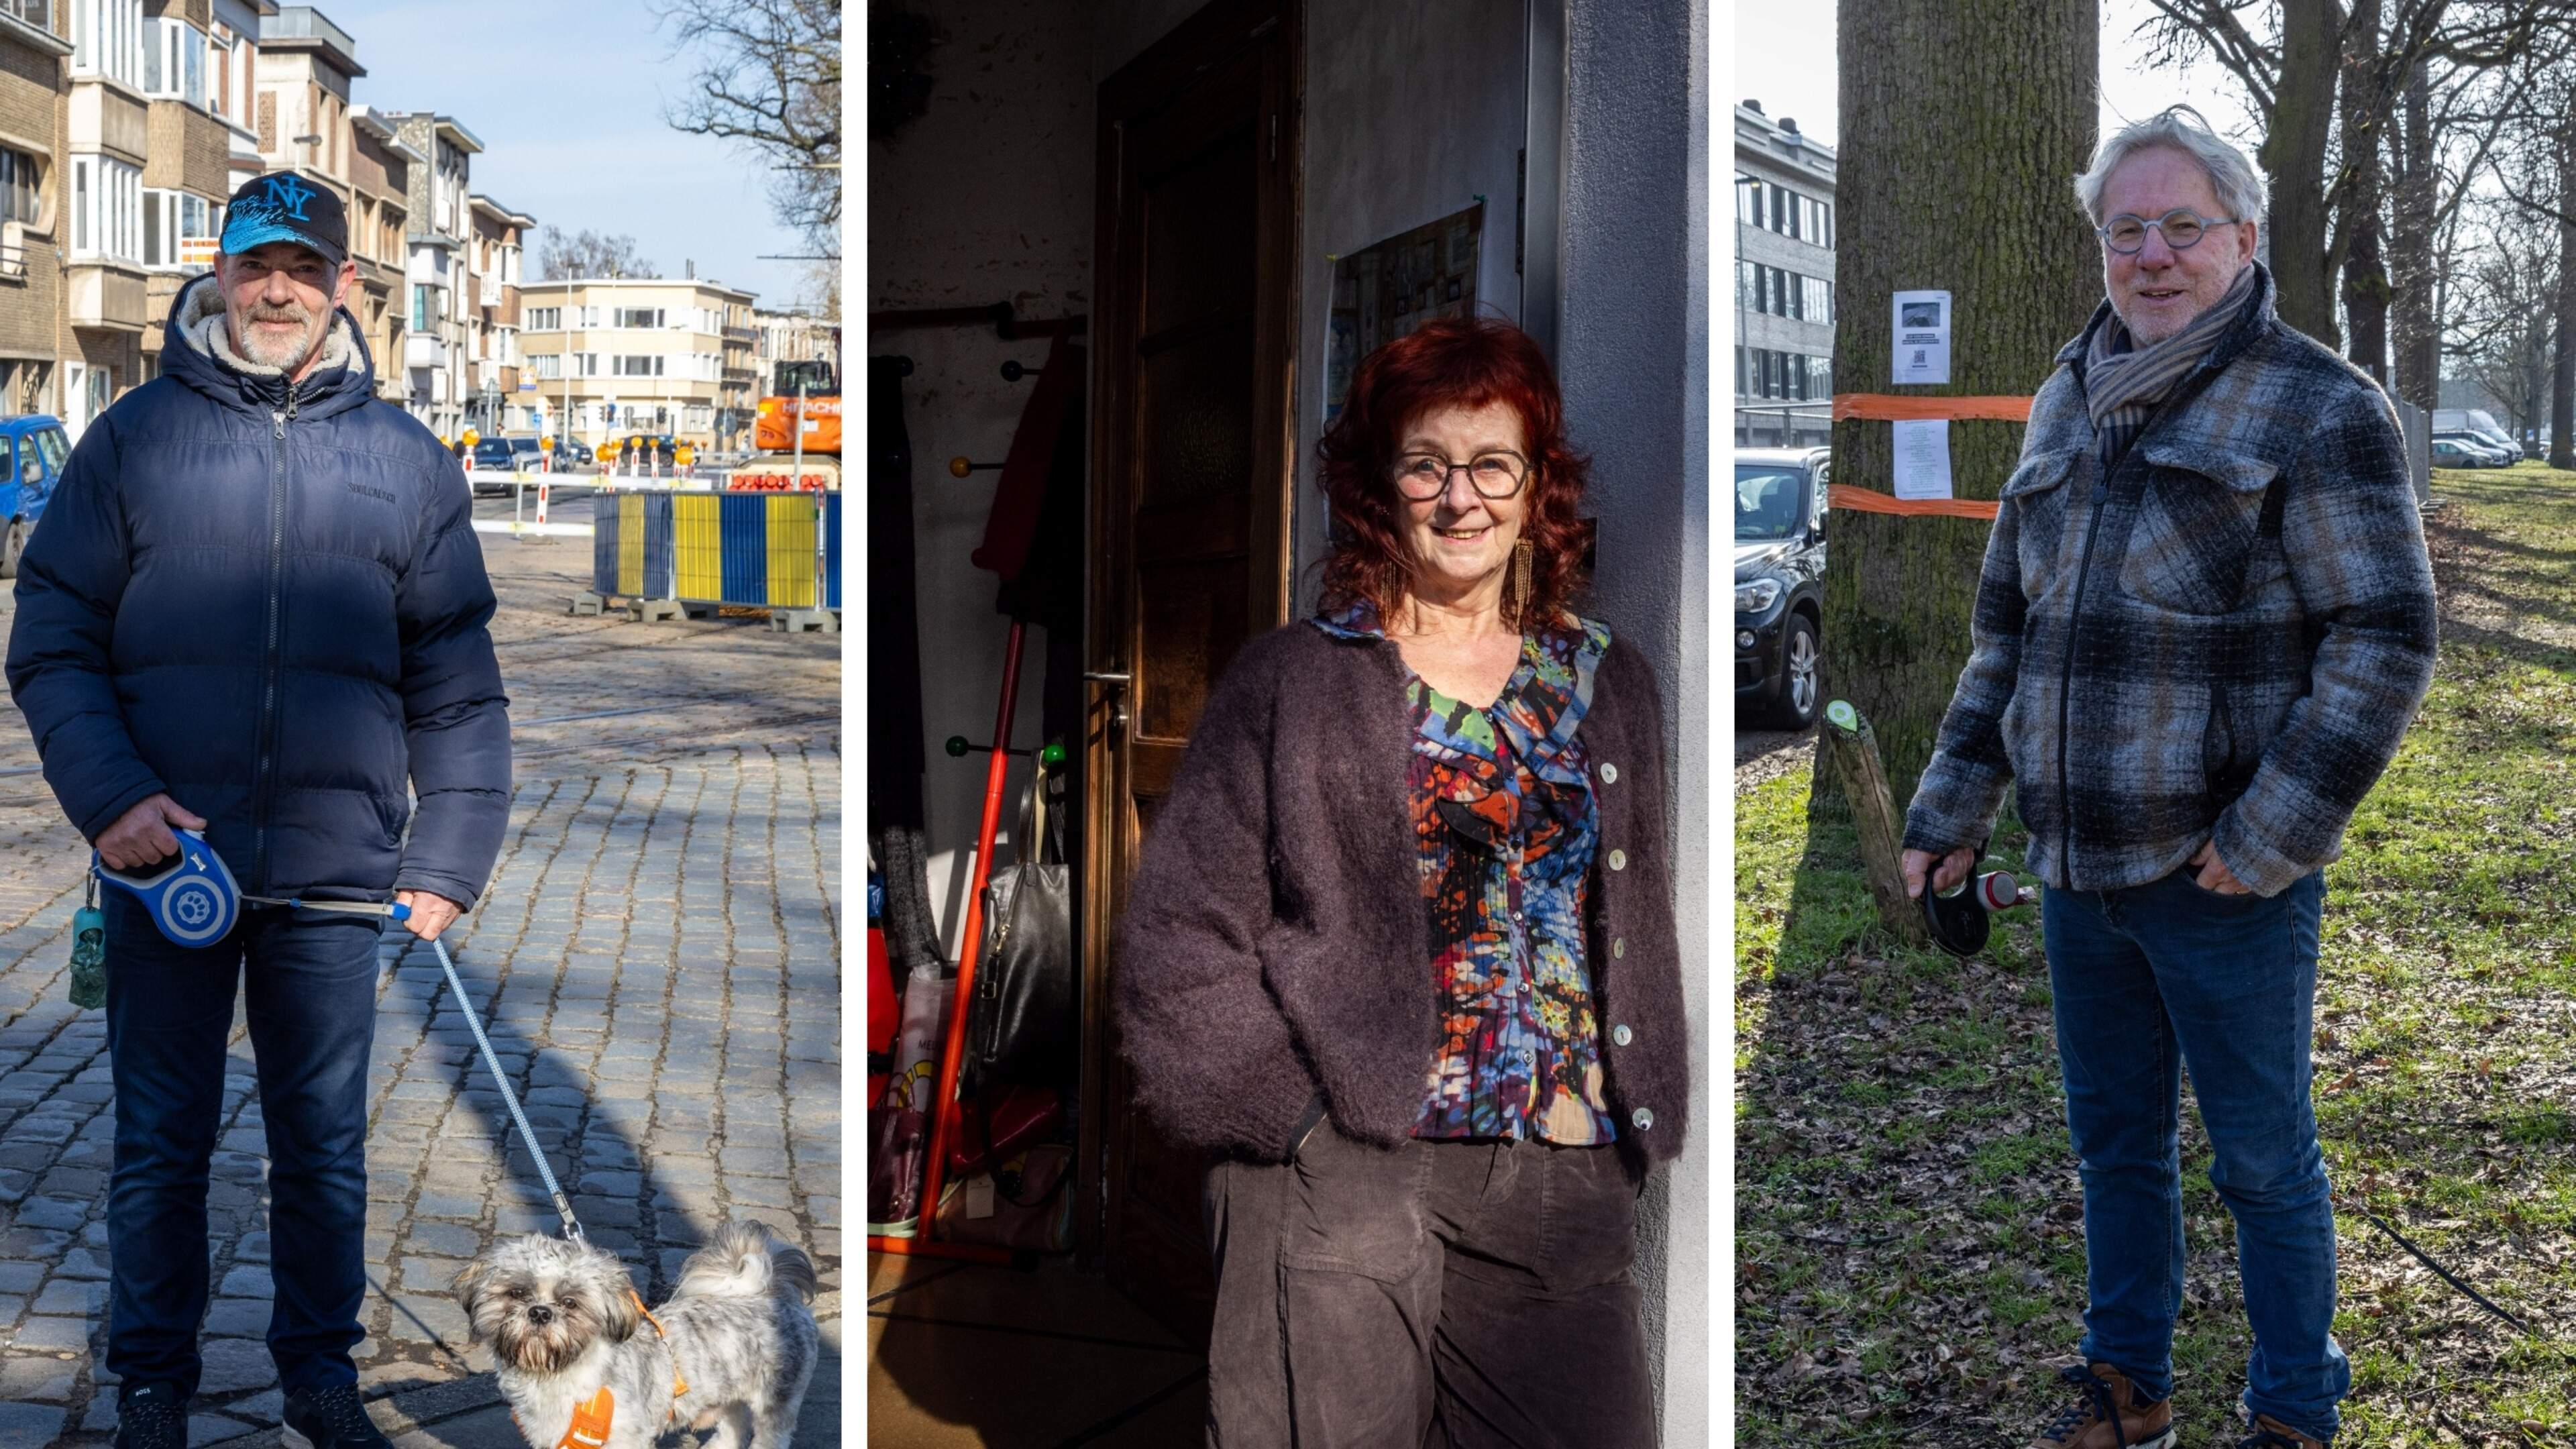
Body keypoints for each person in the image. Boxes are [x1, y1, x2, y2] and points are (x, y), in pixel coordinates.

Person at [1899, 108, 2437, 1449]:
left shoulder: (2320, 404)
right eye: (2125, 228)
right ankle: (2128, 1381)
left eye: (2180, 226)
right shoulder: (2065, 394)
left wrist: (2276, 833)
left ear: (2243, 237)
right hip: (2076, 872)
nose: (2150, 254)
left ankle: (2292, 1410)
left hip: (2226, 879)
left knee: (2262, 1163)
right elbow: (2007, 635)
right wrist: (1951, 813)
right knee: (2115, 1152)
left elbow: (2386, 632)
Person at [6, 171, 510, 1449]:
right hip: (169, 862)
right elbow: (52, 635)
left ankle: (318, 1378)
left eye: (303, 266)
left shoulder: (406, 459)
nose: (276, 288)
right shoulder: (135, 437)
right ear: (219, 276)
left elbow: (457, 682)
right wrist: (111, 800)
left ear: (348, 284)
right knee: (161, 1143)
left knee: (324, 1148)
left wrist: (449, 855)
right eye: (254, 265)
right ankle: (153, 1383)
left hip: (338, 875)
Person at [1117, 317, 1687, 1446]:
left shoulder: (1608, 677)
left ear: (1538, 487)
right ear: (1384, 485)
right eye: (1427, 463)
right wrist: (1299, 1125)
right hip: (1347, 1164)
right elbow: (1176, 943)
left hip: (1559, 1176)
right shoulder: (1297, 680)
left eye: (1493, 464)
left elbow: (1627, 916)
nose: (1460, 496)